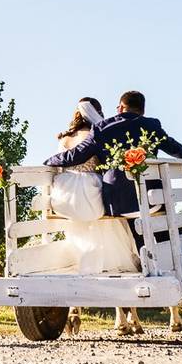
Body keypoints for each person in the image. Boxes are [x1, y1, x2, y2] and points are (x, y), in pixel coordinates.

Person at [45, 91, 182, 218]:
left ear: (121, 107)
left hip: (117, 204)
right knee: (160, 223)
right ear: (142, 110)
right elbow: (171, 145)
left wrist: (50, 160)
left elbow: (77, 155)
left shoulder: (101, 128)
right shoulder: (152, 125)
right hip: (152, 200)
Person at [52, 97, 140, 274]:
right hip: (89, 188)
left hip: (65, 192)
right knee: (110, 198)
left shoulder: (64, 138)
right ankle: (111, 261)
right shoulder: (97, 134)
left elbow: (60, 164)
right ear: (97, 113)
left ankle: (81, 258)